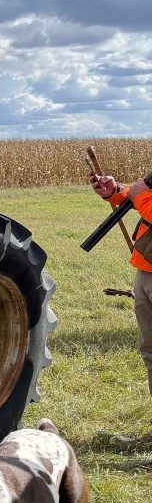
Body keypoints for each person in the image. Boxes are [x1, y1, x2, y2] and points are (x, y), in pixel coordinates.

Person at [89, 170, 152, 447]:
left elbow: (144, 196)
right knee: (150, 353)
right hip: (147, 270)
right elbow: (141, 190)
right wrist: (116, 191)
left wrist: (140, 197)